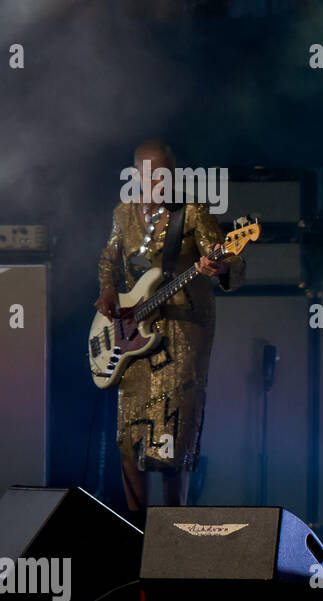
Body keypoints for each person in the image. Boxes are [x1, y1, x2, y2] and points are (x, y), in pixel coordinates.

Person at [94, 140, 245, 527]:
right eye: (153, 174)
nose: (161, 180)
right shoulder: (123, 214)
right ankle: (137, 530)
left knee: (174, 432)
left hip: (181, 337)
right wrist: (108, 289)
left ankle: (174, 532)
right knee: (129, 436)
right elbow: (109, 260)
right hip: (132, 337)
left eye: (167, 173)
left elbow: (227, 257)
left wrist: (222, 267)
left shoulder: (191, 212)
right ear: (137, 176)